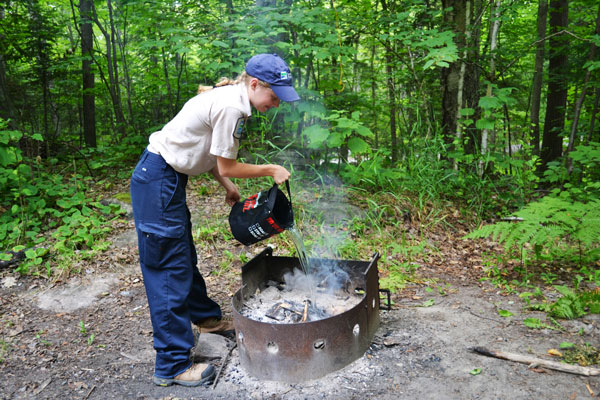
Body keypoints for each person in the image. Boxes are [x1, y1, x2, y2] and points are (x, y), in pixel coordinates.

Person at [130, 53, 300, 387]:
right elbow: (226, 163)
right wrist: (269, 169)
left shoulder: (230, 100)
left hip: (165, 179)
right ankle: (172, 365)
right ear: (254, 84)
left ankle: (205, 319)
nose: (276, 103)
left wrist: (229, 185)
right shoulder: (231, 107)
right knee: (169, 268)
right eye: (274, 95)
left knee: (182, 256)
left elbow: (209, 154)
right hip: (158, 179)